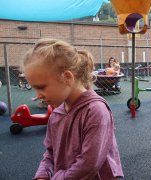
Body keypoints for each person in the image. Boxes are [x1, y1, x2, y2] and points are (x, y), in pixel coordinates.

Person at [23, 39, 123, 180]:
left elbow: (88, 165)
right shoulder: (56, 114)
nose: (37, 95)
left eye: (41, 87)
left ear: (67, 77)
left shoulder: (95, 111)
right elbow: (51, 153)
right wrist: (43, 175)